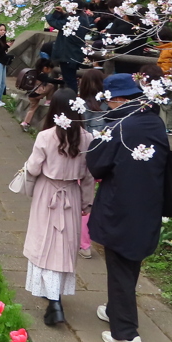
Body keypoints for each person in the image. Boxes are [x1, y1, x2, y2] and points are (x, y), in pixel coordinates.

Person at [87, 73, 169, 342]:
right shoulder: (154, 121)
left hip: (120, 207)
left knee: (120, 265)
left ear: (118, 99)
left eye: (109, 102)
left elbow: (96, 164)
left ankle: (125, 334)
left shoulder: (121, 125)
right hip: (148, 205)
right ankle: (114, 309)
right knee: (130, 260)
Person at [22, 89, 94, 326]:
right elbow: (88, 175)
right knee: (63, 245)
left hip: (47, 193)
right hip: (71, 194)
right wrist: (86, 202)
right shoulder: (87, 138)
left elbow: (33, 168)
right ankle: (55, 294)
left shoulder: (45, 136)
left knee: (44, 242)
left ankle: (53, 301)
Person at [76, 67, 107, 260]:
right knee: (94, 200)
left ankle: (83, 243)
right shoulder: (108, 106)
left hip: (84, 158)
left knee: (81, 202)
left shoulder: (81, 107)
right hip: (104, 159)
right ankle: (91, 240)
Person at [47, 0, 93, 91]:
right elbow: (69, 20)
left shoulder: (71, 20)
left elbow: (53, 22)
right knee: (71, 78)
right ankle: (71, 99)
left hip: (68, 53)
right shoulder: (83, 18)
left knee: (69, 80)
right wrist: (63, 13)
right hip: (76, 53)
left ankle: (71, 99)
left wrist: (48, 12)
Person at [154, 26, 172, 136]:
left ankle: (171, 127)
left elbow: (167, 67)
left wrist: (159, 72)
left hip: (169, 80)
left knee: (166, 103)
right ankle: (169, 126)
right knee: (169, 102)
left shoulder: (167, 51)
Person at [20, 58, 62, 131]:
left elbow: (47, 80)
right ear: (45, 68)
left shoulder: (36, 73)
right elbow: (49, 80)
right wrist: (61, 81)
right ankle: (48, 101)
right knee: (51, 85)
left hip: (31, 94)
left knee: (32, 109)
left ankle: (25, 123)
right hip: (37, 94)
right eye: (50, 69)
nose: (50, 71)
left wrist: (56, 79)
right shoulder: (42, 75)